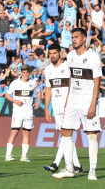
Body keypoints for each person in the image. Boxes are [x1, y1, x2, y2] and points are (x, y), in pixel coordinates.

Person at [52, 28, 102, 180]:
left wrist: (92, 104)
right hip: (73, 100)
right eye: (72, 37)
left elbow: (97, 82)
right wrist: (68, 100)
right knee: (65, 131)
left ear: (84, 38)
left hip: (87, 100)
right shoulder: (71, 56)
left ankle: (92, 170)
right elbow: (71, 79)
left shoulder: (93, 57)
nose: (73, 40)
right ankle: (69, 168)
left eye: (76, 37)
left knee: (91, 134)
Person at [43, 43, 83, 174]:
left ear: (60, 53)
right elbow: (48, 89)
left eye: (54, 53)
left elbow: (73, 85)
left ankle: (56, 163)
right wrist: (47, 108)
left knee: (65, 135)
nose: (52, 56)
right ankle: (76, 165)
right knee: (66, 136)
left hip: (69, 106)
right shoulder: (48, 69)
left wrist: (69, 101)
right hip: (57, 107)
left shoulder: (67, 67)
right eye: (50, 53)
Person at [5, 64, 41, 162]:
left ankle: (24, 156)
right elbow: (7, 95)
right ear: (21, 73)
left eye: (27, 72)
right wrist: (15, 101)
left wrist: (38, 102)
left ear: (30, 73)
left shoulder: (33, 83)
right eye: (23, 72)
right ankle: (8, 155)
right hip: (17, 112)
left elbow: (38, 91)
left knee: (26, 133)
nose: (25, 74)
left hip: (28, 112)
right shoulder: (15, 83)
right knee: (14, 132)